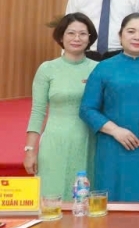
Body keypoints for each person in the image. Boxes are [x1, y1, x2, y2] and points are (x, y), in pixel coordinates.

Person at [79, 14, 139, 202]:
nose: (137, 37)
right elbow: (87, 109)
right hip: (112, 145)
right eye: (131, 31)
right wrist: (115, 131)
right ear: (120, 36)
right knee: (111, 196)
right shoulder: (104, 68)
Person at [24, 13, 99, 199]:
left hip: (88, 142)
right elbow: (38, 112)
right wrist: (30, 150)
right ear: (61, 36)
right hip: (54, 141)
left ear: (90, 38)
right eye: (71, 33)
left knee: (83, 199)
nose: (76, 38)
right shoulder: (47, 69)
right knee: (51, 197)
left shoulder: (99, 69)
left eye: (83, 34)